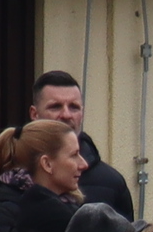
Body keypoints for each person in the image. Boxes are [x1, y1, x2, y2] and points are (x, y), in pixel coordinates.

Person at [31, 71, 134, 220]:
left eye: (74, 107)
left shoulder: (111, 183)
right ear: (34, 114)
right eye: (55, 107)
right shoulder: (11, 177)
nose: (66, 115)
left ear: (82, 113)